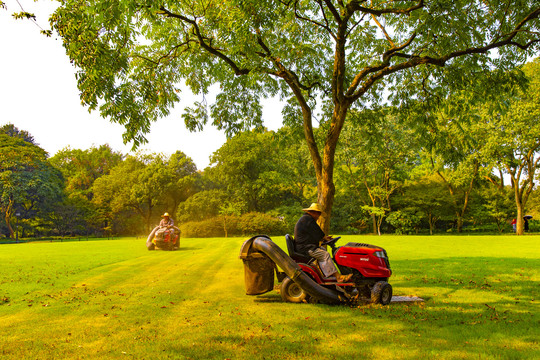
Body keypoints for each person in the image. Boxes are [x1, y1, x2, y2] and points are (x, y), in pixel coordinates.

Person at [293, 203, 353, 283]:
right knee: (325, 255)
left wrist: (324, 238)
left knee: (322, 251)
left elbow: (314, 233)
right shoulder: (308, 219)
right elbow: (317, 231)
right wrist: (324, 237)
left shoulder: (306, 219)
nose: (318, 216)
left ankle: (329, 275)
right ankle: (338, 277)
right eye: (318, 214)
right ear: (313, 212)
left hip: (305, 246)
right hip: (305, 248)